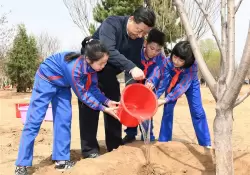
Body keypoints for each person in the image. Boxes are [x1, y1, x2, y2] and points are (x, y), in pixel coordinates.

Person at [14, 37, 119, 175]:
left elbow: (92, 89)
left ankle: (61, 160)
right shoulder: (74, 68)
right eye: (101, 63)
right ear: (89, 59)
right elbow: (83, 95)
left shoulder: (93, 69)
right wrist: (104, 108)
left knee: (64, 119)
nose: (103, 66)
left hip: (63, 85)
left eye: (105, 62)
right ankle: (22, 164)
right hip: (46, 79)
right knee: (34, 120)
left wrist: (106, 101)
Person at [78, 6, 156, 158]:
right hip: (90, 71)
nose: (140, 35)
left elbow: (133, 63)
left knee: (115, 105)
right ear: (132, 19)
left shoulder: (138, 40)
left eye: (144, 33)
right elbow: (109, 50)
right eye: (139, 30)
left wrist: (141, 84)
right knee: (89, 107)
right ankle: (90, 150)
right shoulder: (112, 23)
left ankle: (114, 146)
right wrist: (132, 67)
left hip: (109, 74)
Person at [147, 41, 211, 147]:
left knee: (197, 111)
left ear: (188, 61)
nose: (176, 61)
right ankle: (164, 140)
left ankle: (205, 143)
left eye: (181, 60)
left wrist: (166, 99)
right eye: (175, 57)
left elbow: (182, 86)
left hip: (190, 84)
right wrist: (151, 82)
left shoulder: (192, 67)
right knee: (168, 109)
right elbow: (158, 72)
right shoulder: (167, 61)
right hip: (172, 81)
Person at [122, 28, 166, 143]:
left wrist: (152, 80)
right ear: (145, 43)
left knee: (146, 106)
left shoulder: (160, 58)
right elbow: (129, 67)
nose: (154, 52)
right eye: (152, 48)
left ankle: (147, 134)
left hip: (148, 85)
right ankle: (130, 133)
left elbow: (158, 70)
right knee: (132, 104)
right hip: (134, 80)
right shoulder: (136, 51)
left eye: (158, 50)